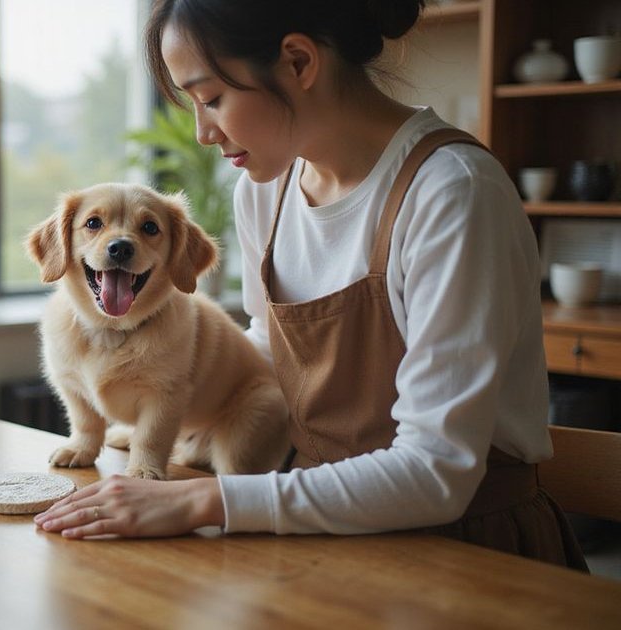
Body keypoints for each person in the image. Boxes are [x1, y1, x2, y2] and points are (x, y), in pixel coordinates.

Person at [34, 0, 587, 569]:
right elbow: (276, 353)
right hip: (317, 524)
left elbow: (436, 471)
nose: (202, 133)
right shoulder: (263, 192)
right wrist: (183, 413)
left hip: (462, 546)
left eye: (212, 99)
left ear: (298, 62)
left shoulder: (452, 194)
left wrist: (205, 498)